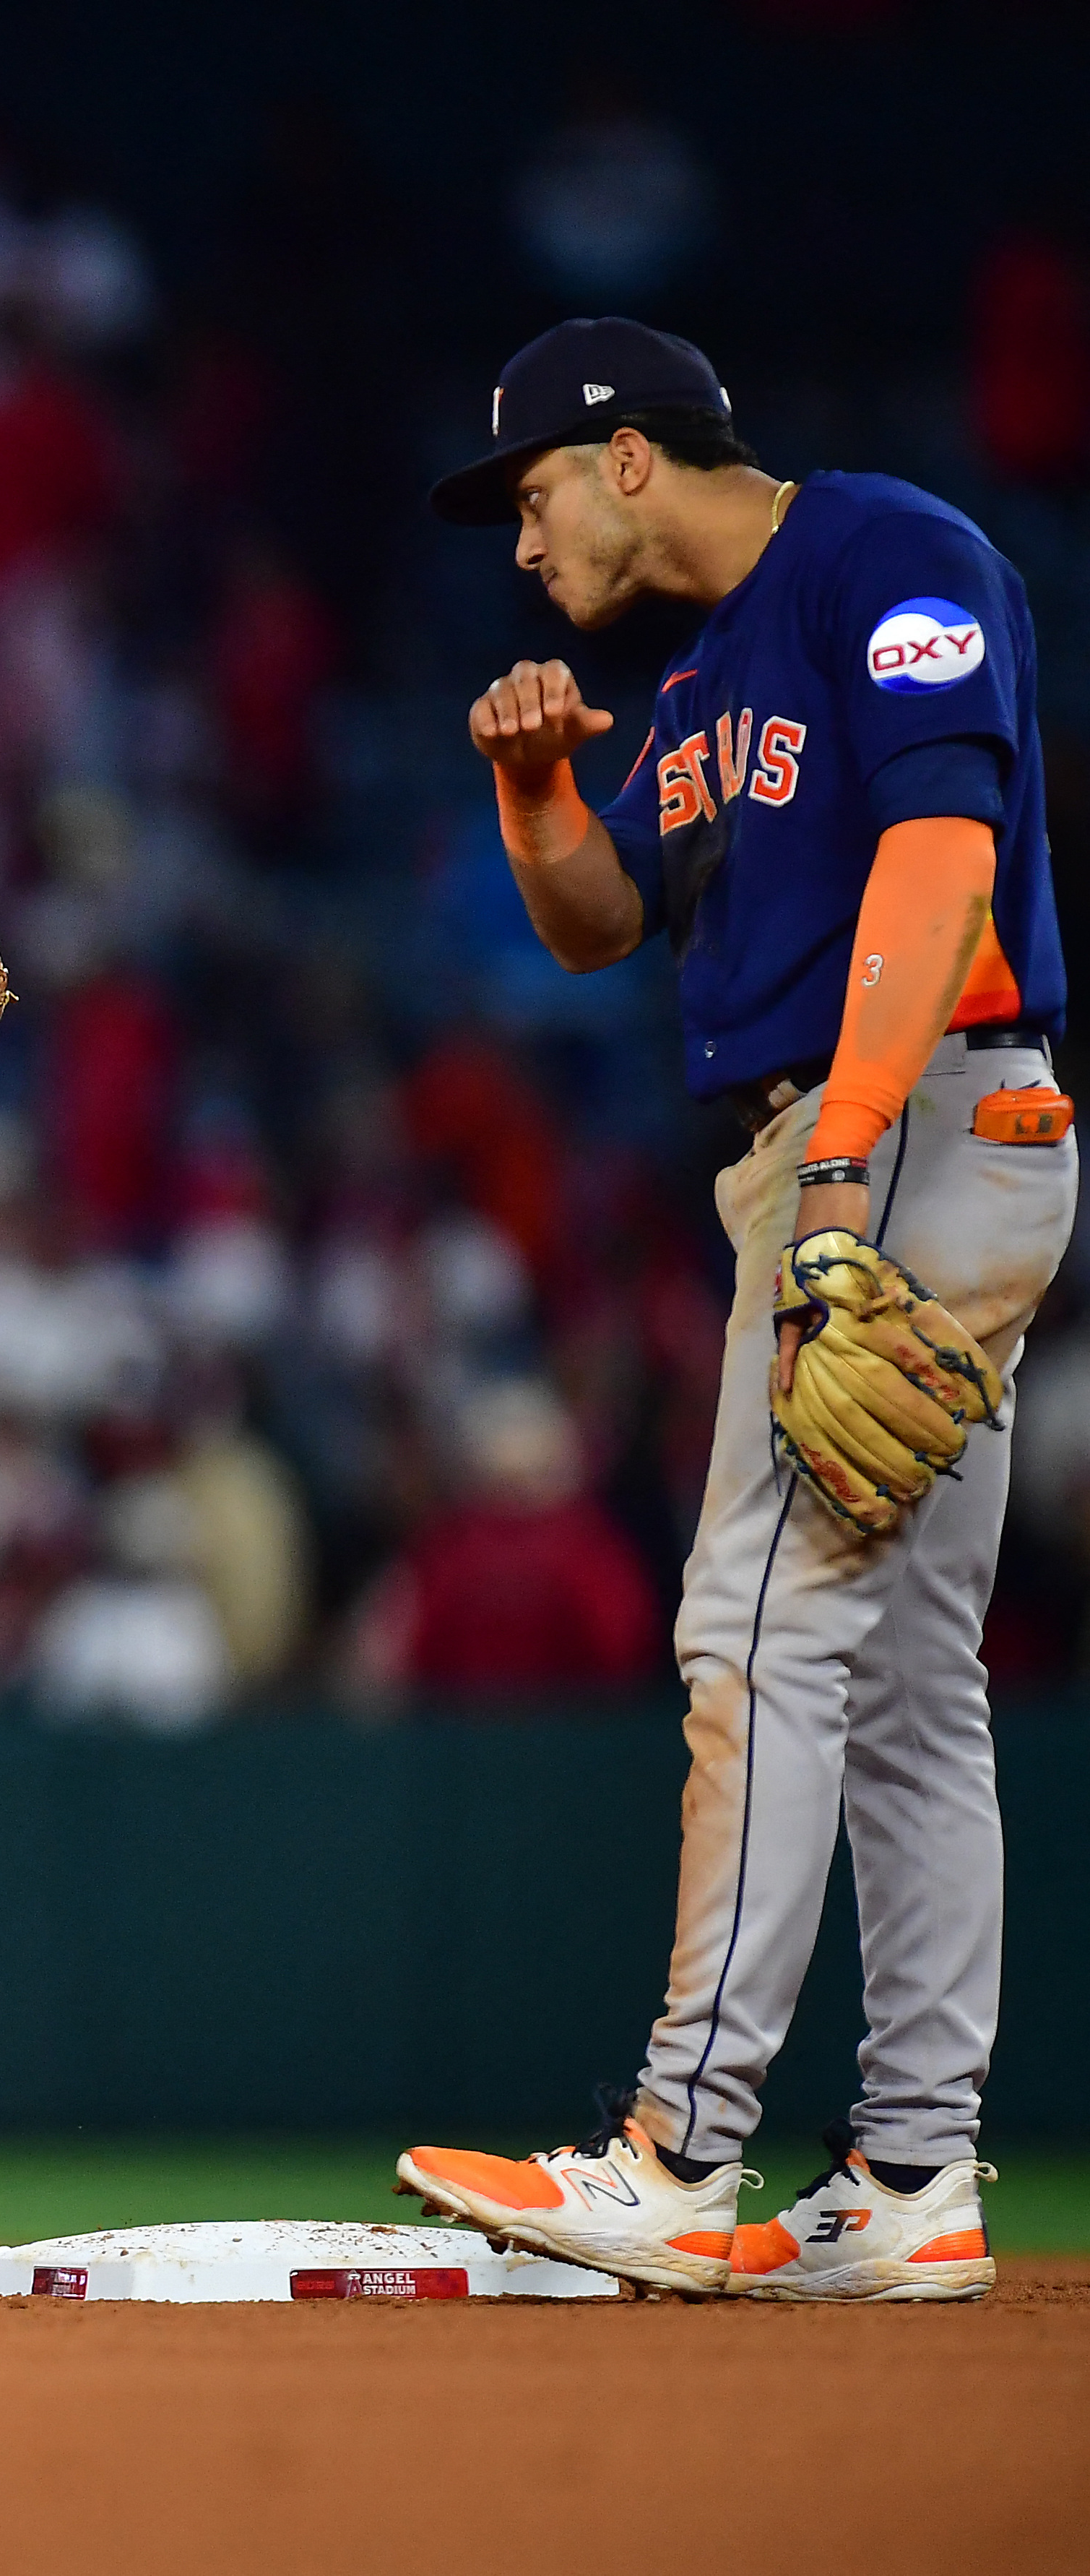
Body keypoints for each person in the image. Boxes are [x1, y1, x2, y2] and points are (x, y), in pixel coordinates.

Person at [397, 319, 1065, 2301]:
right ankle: (913, 2185)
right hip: (884, 1141)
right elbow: (606, 923)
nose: (518, 545)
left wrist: (847, 1164)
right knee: (906, 1687)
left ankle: (680, 2153)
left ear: (619, 457)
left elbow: (943, 850)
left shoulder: (883, 552)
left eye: (527, 494)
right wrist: (533, 799)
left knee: (754, 1627)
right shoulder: (687, 685)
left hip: (908, 1125)